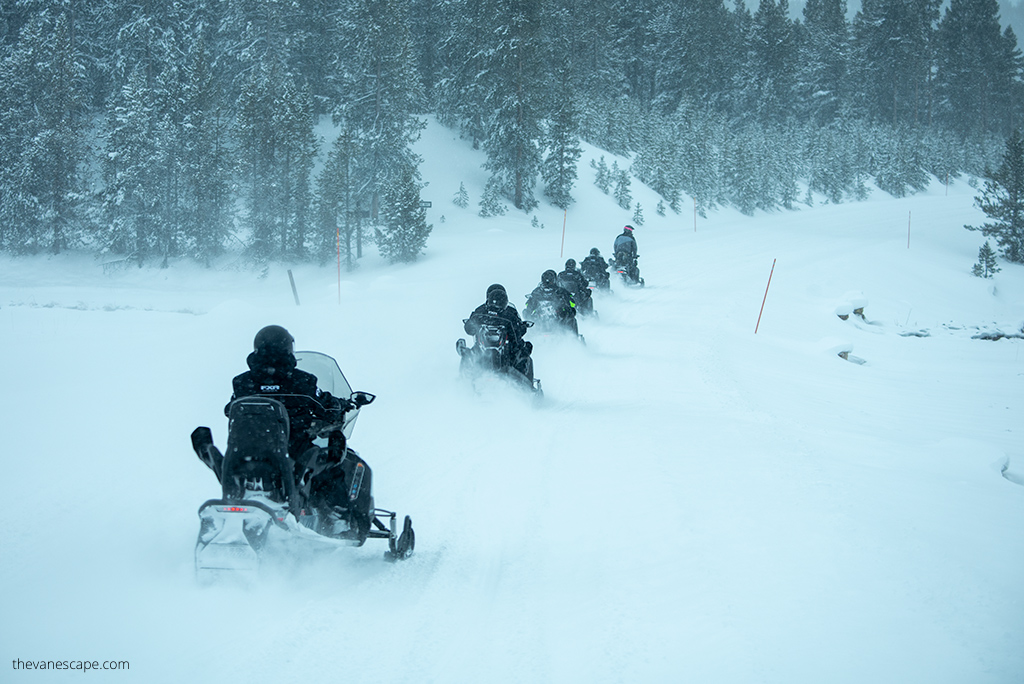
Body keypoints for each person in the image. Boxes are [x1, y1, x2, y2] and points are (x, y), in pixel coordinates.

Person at [465, 284, 534, 381]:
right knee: (524, 350)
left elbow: (469, 328)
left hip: (492, 351)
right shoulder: (508, 315)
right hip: (499, 352)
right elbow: (517, 334)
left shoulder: (480, 312)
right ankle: (527, 383)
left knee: (469, 354)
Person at [525, 269, 578, 335]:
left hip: (551, 321)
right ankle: (575, 338)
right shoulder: (561, 291)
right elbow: (572, 304)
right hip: (551, 321)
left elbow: (528, 306)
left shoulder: (537, 291)